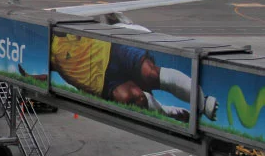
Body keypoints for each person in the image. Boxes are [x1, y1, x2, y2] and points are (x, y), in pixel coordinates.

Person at [22, 34, 219, 123]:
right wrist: (30, 78)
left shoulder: (60, 31)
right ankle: (170, 112)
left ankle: (203, 103)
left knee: (150, 73)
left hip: (112, 50)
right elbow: (47, 77)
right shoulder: (52, 55)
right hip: (102, 81)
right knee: (134, 97)